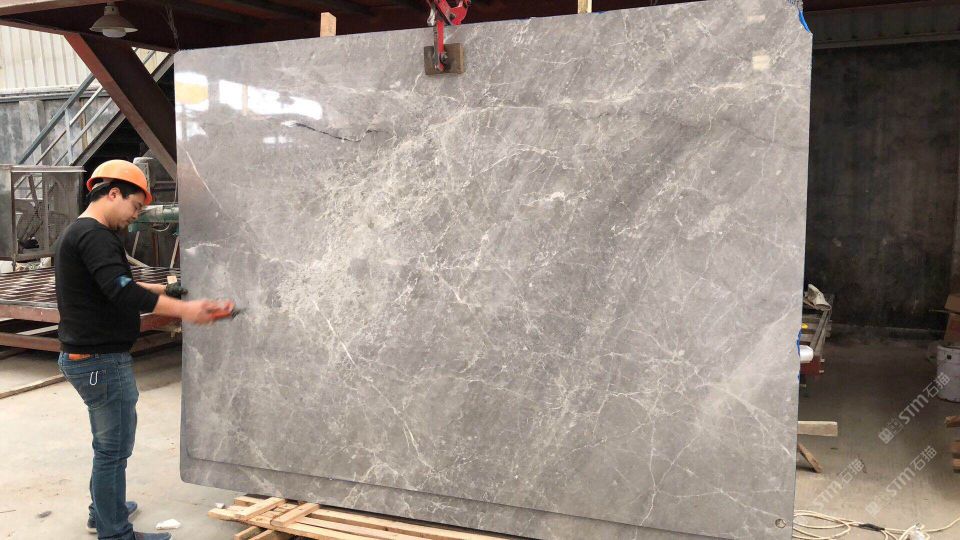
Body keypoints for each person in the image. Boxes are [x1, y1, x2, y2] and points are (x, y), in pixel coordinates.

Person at [54, 160, 233, 540]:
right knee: (113, 450)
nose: (135, 216)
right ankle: (115, 532)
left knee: (108, 446)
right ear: (113, 193)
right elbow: (121, 291)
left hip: (89, 359)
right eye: (135, 206)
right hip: (100, 361)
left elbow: (111, 284)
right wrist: (187, 310)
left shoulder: (80, 233)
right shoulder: (95, 236)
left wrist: (164, 290)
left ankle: (105, 511)